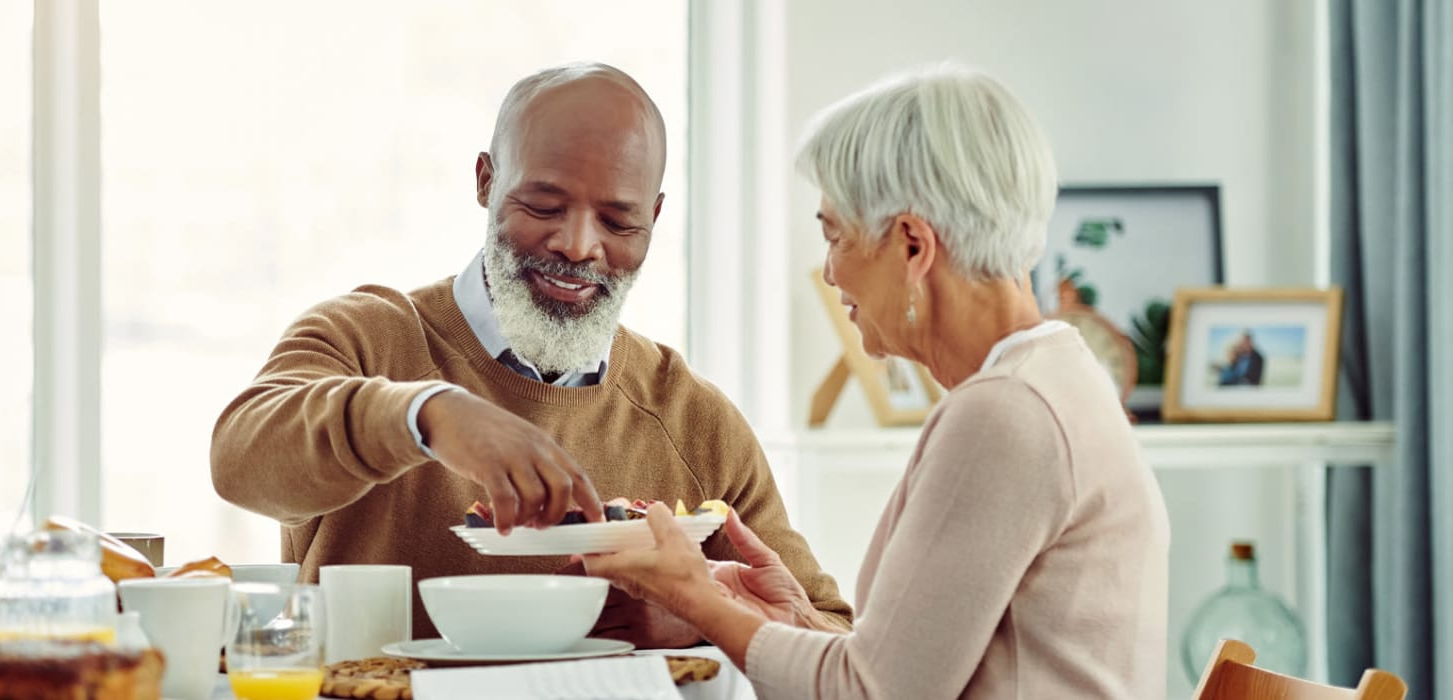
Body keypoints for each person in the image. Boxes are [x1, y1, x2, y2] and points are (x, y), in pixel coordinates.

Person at [210, 62, 852, 646]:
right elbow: (239, 458)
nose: (578, 246)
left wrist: (706, 617)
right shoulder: (371, 338)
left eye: (618, 223)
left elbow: (834, 642)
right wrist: (427, 413)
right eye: (543, 205)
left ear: (654, 218)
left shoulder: (692, 420)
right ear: (486, 182)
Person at [581, 64, 1170, 697]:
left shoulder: (1004, 413)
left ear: (913, 245)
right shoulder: (1060, 374)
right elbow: (906, 673)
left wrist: (692, 597)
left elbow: (869, 695)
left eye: (833, 235)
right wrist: (796, 620)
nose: (830, 274)